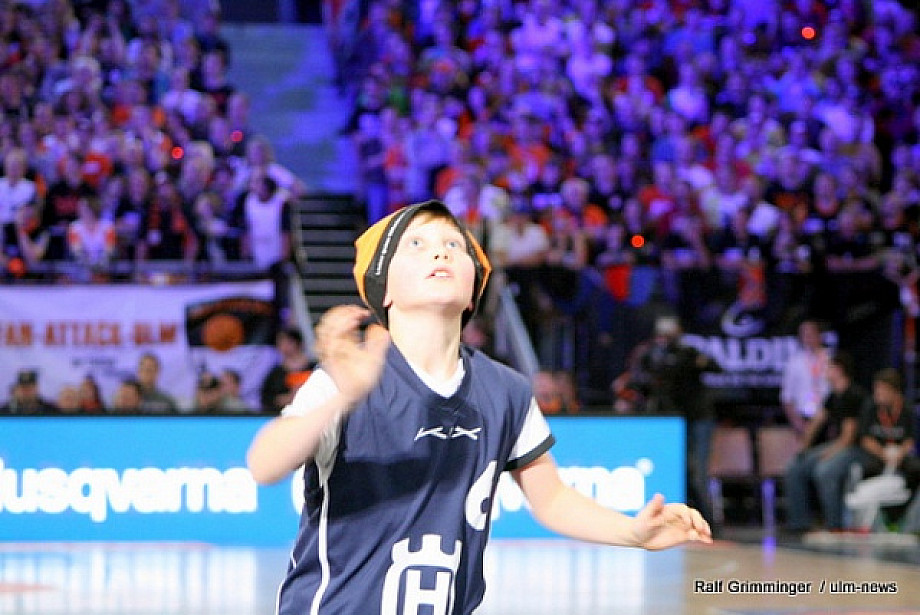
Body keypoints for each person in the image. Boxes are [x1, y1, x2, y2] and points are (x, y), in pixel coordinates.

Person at [246, 201, 711, 615]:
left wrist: (632, 533)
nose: (441, 252)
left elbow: (551, 498)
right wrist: (345, 395)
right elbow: (264, 465)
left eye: (455, 244)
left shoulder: (506, 389)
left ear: (473, 291)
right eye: (417, 244)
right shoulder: (346, 377)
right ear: (383, 287)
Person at [614, 316, 719, 525]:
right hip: (669, 422)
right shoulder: (650, 356)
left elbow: (715, 367)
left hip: (697, 418)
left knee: (698, 472)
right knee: (673, 469)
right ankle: (676, 519)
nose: (664, 340)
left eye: (669, 335)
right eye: (661, 335)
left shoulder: (688, 353)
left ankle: (708, 522)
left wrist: (694, 362)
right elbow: (638, 383)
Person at [784, 352, 866, 533]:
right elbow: (817, 421)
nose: (825, 371)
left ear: (839, 370)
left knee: (824, 470)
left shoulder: (853, 395)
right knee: (795, 467)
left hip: (856, 448)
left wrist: (829, 454)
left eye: (829, 367)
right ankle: (799, 523)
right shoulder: (833, 396)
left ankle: (834, 525)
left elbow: (848, 437)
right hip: (837, 445)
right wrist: (804, 446)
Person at [851, 368, 920, 527]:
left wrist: (899, 455)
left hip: (900, 456)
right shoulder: (870, 407)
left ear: (894, 392)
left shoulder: (907, 409)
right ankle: (869, 522)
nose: (878, 394)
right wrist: (884, 454)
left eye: (882, 390)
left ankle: (905, 519)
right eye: (876, 389)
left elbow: (910, 439)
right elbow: (865, 439)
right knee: (867, 469)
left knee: (915, 470)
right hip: (877, 455)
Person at [780, 319, 831, 435]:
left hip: (829, 418)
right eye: (804, 335)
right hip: (804, 418)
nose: (808, 338)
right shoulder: (794, 362)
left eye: (811, 334)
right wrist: (798, 423)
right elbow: (786, 397)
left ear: (820, 335)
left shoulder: (831, 359)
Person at [259, 327, 316, 414]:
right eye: (280, 343)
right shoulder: (275, 373)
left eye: (288, 342)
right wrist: (286, 399)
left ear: (298, 343)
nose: (284, 346)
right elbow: (266, 399)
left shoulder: (315, 369)